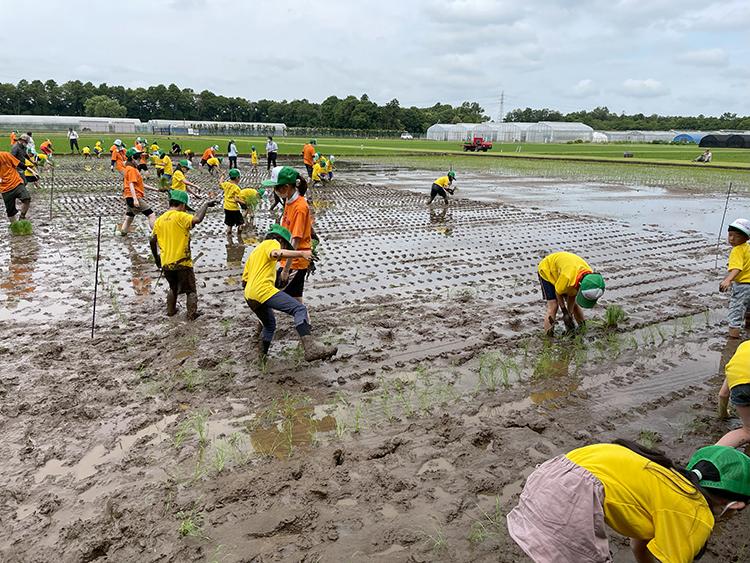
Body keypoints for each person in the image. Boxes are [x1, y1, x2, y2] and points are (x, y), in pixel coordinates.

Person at [242, 223, 337, 361]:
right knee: (299, 309)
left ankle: (261, 358)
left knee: (269, 326)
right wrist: (301, 253)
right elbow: (276, 253)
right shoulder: (272, 243)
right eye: (286, 246)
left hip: (249, 295)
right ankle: (311, 349)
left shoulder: (255, 252)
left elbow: (245, 280)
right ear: (281, 241)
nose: (283, 256)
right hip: (262, 291)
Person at [150, 190, 215, 320]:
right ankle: (192, 315)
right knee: (191, 290)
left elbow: (152, 240)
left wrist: (157, 258)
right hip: (182, 262)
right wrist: (206, 205)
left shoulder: (159, 220)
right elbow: (197, 219)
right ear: (183, 205)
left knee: (173, 288)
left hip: (166, 263)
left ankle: (171, 311)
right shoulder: (180, 216)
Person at [264, 166, 314, 304]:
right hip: (288, 257)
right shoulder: (289, 200)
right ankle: (304, 323)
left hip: (295, 261)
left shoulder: (300, 207)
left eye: (276, 187)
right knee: (296, 298)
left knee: (271, 295)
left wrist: (286, 270)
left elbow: (295, 241)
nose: (274, 191)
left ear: (286, 187)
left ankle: (263, 325)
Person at [538, 251, 605, 335]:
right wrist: (564, 311)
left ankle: (582, 329)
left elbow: (572, 297)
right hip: (548, 269)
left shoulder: (590, 279)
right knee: (553, 306)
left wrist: (569, 314)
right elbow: (558, 292)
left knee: (574, 305)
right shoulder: (567, 278)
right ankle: (548, 337)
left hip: (566, 270)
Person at [719, 219, 750, 338]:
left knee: (735, 314)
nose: (731, 239)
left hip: (742, 286)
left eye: (736, 237)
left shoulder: (737, 250)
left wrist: (728, 280)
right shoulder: (748, 248)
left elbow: (737, 268)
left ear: (746, 238)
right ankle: (748, 331)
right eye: (730, 235)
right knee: (748, 311)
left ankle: (732, 341)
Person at [118, 148, 159, 236]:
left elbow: (141, 184)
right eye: (138, 158)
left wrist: (156, 189)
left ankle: (123, 232)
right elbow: (131, 184)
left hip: (128, 196)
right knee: (151, 215)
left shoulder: (130, 168)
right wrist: (135, 199)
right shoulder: (132, 169)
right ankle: (157, 234)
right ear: (133, 158)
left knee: (130, 216)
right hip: (133, 196)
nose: (140, 160)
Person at [718, 340, 750, 448]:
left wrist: (723, 414)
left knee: (747, 431)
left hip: (740, 385)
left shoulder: (743, 348)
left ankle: (709, 459)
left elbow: (723, 394)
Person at [0, 151, 31, 224]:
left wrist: (31, 170)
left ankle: (22, 217)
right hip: (5, 189)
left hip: (16, 183)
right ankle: (15, 226)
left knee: (26, 198)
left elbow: (19, 164)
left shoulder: (5, 155)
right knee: (10, 211)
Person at [219, 168, 245, 238]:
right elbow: (237, 199)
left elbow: (220, 183)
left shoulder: (226, 184)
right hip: (234, 209)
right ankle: (239, 236)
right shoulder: (237, 188)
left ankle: (228, 237)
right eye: (239, 177)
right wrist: (244, 203)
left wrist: (222, 176)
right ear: (237, 178)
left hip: (226, 208)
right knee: (241, 224)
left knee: (229, 225)